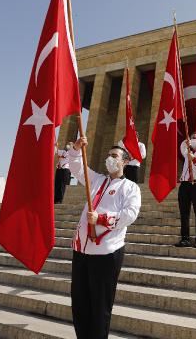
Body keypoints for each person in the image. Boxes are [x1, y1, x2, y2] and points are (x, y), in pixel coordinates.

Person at [68, 136, 141, 339]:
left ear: (124, 162)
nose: (110, 158)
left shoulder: (130, 188)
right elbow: (77, 168)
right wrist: (75, 149)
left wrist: (100, 219)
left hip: (107, 252)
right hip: (82, 251)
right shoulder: (97, 179)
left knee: (100, 308)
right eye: (108, 155)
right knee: (80, 304)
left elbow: (130, 215)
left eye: (114, 156)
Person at [175, 133, 196, 249]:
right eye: (192, 138)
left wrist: (194, 159)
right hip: (185, 184)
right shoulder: (187, 152)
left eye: (195, 138)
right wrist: (186, 141)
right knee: (184, 212)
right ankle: (185, 238)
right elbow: (182, 147)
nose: (192, 140)